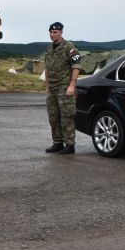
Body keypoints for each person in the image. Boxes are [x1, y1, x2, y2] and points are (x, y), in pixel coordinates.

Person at [44, 22, 81, 155]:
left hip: (65, 87)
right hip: (52, 87)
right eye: (51, 32)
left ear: (61, 32)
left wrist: (72, 85)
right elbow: (47, 68)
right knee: (53, 116)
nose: (52, 35)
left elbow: (76, 66)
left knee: (67, 116)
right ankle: (58, 142)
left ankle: (70, 145)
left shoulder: (69, 48)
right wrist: (47, 86)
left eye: (55, 32)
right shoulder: (49, 49)